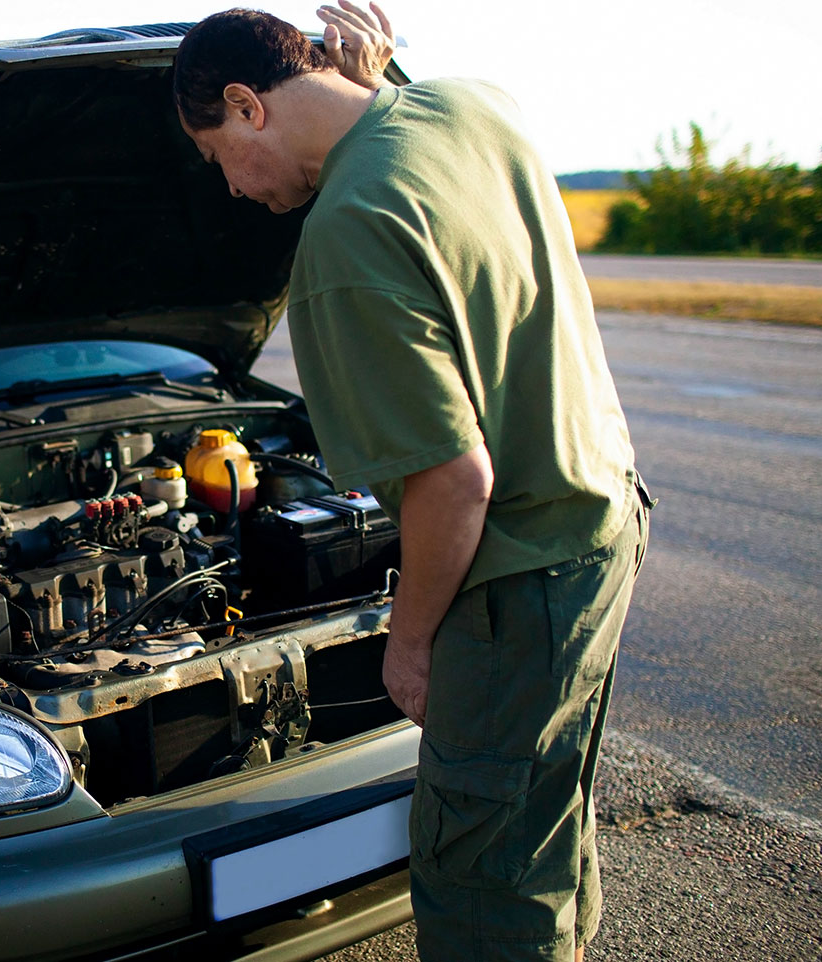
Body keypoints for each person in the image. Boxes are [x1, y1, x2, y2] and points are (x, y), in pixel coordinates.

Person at [173, 5, 653, 961]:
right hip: (604, 521)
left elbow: (454, 483)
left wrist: (409, 641)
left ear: (244, 104)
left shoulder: (344, 239)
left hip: (514, 581)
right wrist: (379, 81)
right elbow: (413, 143)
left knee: (480, 880)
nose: (229, 187)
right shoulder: (472, 106)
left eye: (217, 154)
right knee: (541, 822)